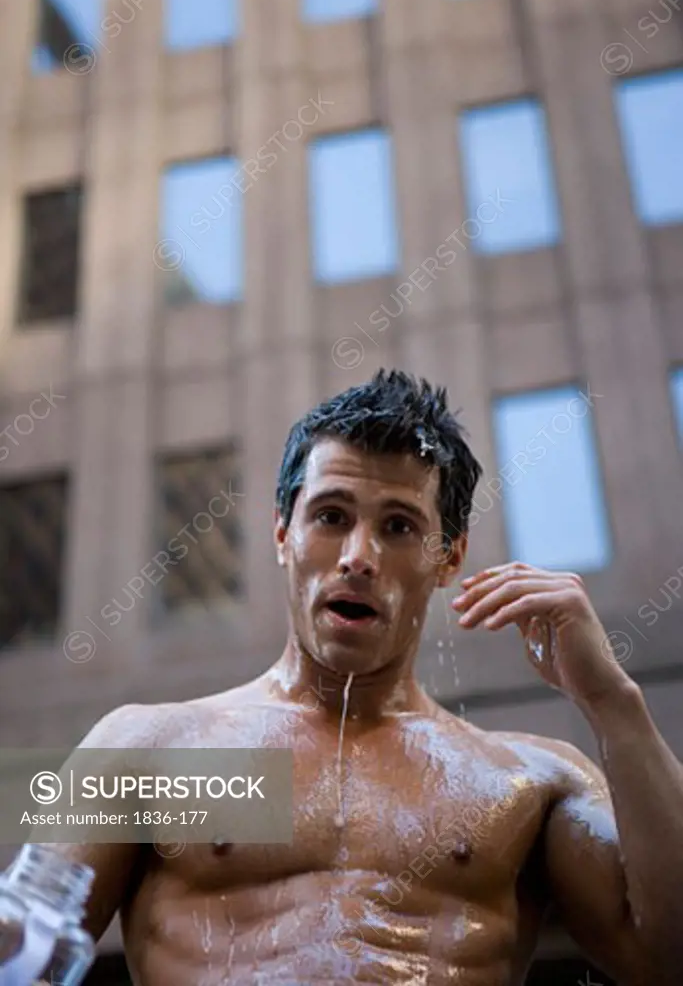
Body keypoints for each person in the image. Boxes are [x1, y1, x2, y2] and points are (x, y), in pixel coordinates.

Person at [27, 370, 683, 984]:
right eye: (330, 516)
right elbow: (23, 955)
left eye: (398, 526)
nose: (358, 557)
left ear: (447, 556)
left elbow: (665, 958)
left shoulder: (527, 782)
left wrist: (611, 700)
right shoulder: (150, 746)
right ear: (283, 532)